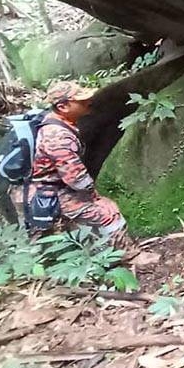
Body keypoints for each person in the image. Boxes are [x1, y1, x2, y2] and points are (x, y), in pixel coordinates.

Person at [21, 81, 136, 251]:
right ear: (63, 106)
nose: (88, 102)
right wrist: (95, 198)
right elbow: (76, 178)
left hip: (39, 188)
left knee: (46, 238)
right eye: (80, 101)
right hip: (46, 193)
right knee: (108, 214)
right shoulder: (58, 137)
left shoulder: (55, 122)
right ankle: (131, 255)